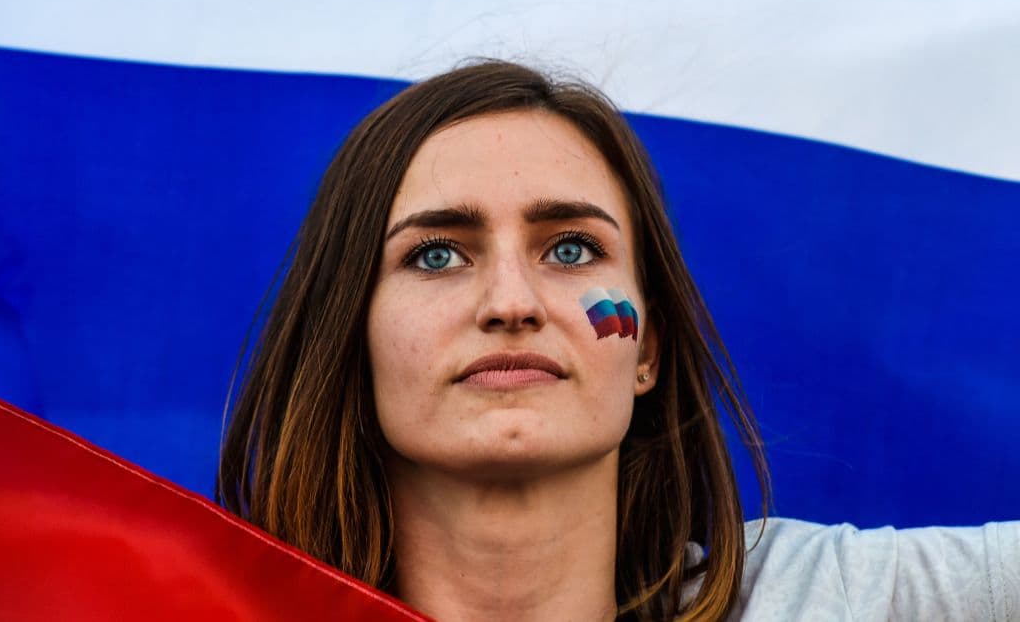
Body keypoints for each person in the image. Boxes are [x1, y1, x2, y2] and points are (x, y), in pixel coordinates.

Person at [216, 60, 1018, 621]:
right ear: (349, 340)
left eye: (571, 249)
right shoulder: (190, 606)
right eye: (436, 254)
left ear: (648, 350)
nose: (511, 303)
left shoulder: (819, 601)